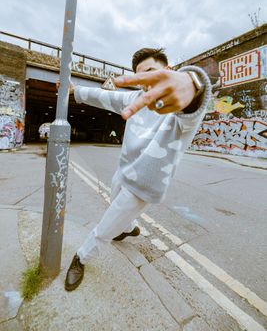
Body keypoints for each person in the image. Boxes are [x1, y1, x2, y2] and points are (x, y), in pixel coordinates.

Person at [64, 47, 211, 291]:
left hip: (145, 183)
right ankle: (129, 228)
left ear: (168, 71)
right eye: (142, 75)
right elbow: (103, 96)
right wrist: (75, 91)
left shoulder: (178, 107)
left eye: (151, 72)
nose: (147, 81)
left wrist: (193, 82)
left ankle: (81, 257)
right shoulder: (135, 99)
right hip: (123, 170)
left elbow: (193, 100)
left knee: (106, 226)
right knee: (115, 208)